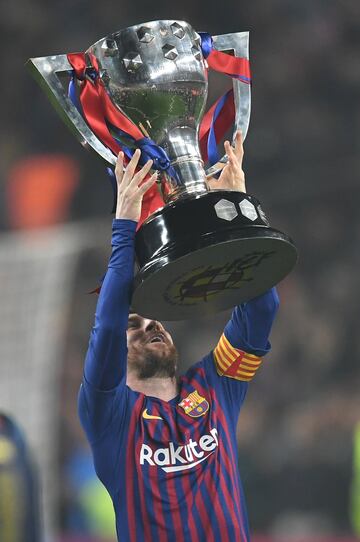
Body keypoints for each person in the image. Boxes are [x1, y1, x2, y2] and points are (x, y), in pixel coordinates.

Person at [78, 132, 279, 541]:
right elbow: (107, 323)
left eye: (154, 321)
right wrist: (124, 227)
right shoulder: (109, 415)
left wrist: (236, 211)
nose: (151, 325)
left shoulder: (216, 384)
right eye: (134, 326)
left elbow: (262, 308)